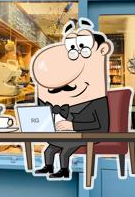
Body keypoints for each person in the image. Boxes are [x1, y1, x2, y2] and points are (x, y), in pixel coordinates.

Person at [30, 18, 112, 180]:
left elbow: (101, 126)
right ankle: (48, 166)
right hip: (76, 132)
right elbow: (68, 113)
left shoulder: (98, 100)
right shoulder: (79, 101)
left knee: (66, 147)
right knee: (49, 149)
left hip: (93, 134)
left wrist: (71, 124)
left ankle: (64, 170)